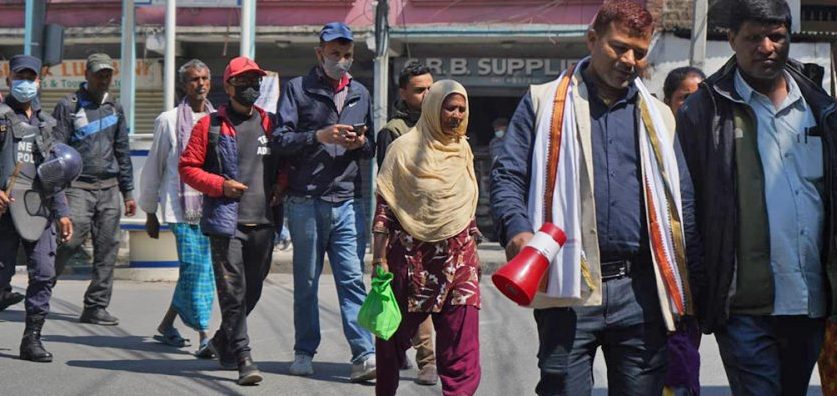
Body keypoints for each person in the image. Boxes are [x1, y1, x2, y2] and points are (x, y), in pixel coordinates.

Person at [490, 1, 703, 394]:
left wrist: (693, 285)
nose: (629, 60)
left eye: (639, 53)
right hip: (566, 285)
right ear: (592, 40)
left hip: (641, 292)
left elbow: (681, 202)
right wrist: (517, 230)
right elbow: (507, 175)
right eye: (619, 47)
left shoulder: (658, 115)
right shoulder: (542, 103)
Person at [675, 0, 836, 394]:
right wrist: (702, 285)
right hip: (743, 306)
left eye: (777, 36)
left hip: (810, 302)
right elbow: (686, 205)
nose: (767, 47)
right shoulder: (704, 111)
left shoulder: (820, 107)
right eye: (753, 37)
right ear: (731, 39)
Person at [273, 22, 377, 382]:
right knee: (307, 282)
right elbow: (280, 139)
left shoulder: (360, 92)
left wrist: (358, 144)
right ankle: (304, 351)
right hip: (305, 200)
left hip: (346, 200)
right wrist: (319, 135)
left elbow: (370, 146)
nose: (342, 60)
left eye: (347, 54)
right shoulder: (297, 90)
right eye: (335, 53)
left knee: (352, 280)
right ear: (320, 53)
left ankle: (364, 354)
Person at [179, 56, 282, 386]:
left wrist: (282, 185)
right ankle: (243, 357)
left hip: (264, 223)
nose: (252, 88)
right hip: (227, 224)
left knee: (251, 293)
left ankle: (221, 341)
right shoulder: (208, 126)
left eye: (257, 82)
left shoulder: (272, 123)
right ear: (229, 86)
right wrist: (220, 185)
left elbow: (285, 163)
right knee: (233, 295)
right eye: (245, 82)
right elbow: (188, 167)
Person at [374, 80, 481, 396]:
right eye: (450, 108)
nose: (457, 115)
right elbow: (385, 209)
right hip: (411, 262)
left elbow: (466, 204)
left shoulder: (463, 150)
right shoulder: (403, 150)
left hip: (458, 259)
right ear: (434, 109)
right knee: (391, 342)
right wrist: (379, 259)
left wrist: (473, 251)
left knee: (463, 347)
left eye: (462, 109)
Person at [0, 54, 75, 362]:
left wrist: (63, 212)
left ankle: (32, 339)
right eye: (20, 78)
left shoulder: (47, 124)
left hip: (39, 208)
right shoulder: (2, 117)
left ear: (39, 82)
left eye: (31, 78)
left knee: (44, 273)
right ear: (9, 81)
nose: (25, 84)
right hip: (5, 210)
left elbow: (54, 171)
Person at [139, 59, 216, 356]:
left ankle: (166, 326)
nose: (201, 84)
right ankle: (204, 335)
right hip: (179, 208)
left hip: (212, 207)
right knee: (198, 271)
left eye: (205, 78)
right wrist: (149, 213)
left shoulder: (218, 119)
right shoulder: (168, 120)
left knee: (193, 271)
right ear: (184, 85)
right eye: (194, 79)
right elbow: (153, 169)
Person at [52, 53, 136, 326]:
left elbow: (122, 151)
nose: (103, 78)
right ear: (86, 75)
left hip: (109, 187)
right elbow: (57, 150)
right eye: (99, 73)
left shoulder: (115, 108)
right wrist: (58, 193)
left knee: (107, 248)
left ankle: (96, 306)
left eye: (107, 74)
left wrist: (128, 192)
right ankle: (41, 286)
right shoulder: (69, 106)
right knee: (69, 241)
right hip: (78, 186)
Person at [374, 60, 438, 385]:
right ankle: (426, 360)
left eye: (430, 88)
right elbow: (388, 189)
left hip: (438, 225)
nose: (427, 95)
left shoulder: (441, 125)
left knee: (426, 295)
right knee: (409, 294)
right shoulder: (393, 132)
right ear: (403, 92)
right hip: (405, 229)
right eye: (419, 90)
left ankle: (403, 354)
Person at [662, 66, 706, 396]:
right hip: (664, 275)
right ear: (668, 102)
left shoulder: (711, 147)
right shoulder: (657, 149)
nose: (692, 107)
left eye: (699, 98)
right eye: (684, 99)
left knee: (687, 359)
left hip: (698, 275)